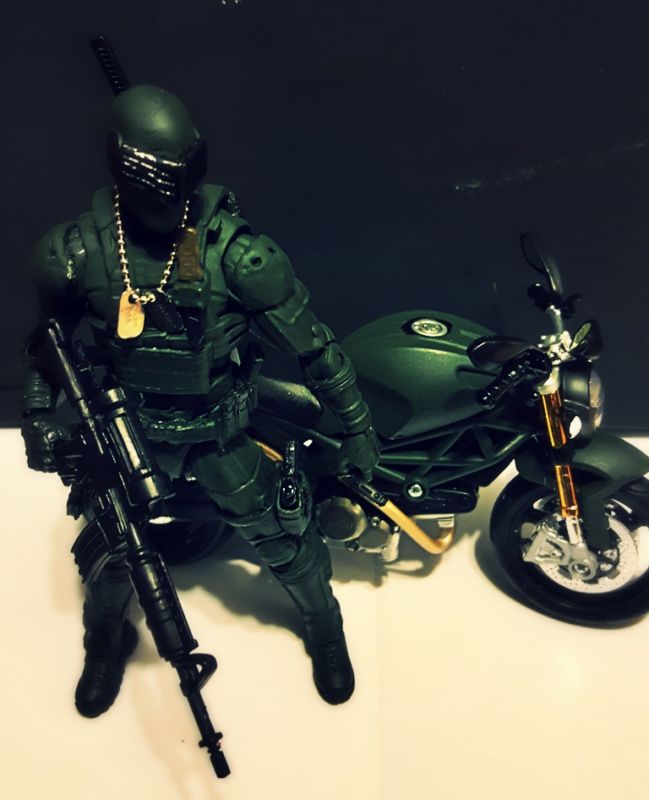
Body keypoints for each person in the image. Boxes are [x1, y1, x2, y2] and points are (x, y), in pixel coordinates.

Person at [21, 83, 379, 718]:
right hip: (128, 434)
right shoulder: (77, 252)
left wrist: (356, 427)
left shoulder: (236, 256)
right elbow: (48, 346)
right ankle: (104, 641)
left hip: (217, 435)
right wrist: (37, 415)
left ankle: (325, 624)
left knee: (283, 541)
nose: (168, 199)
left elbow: (315, 348)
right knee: (110, 557)